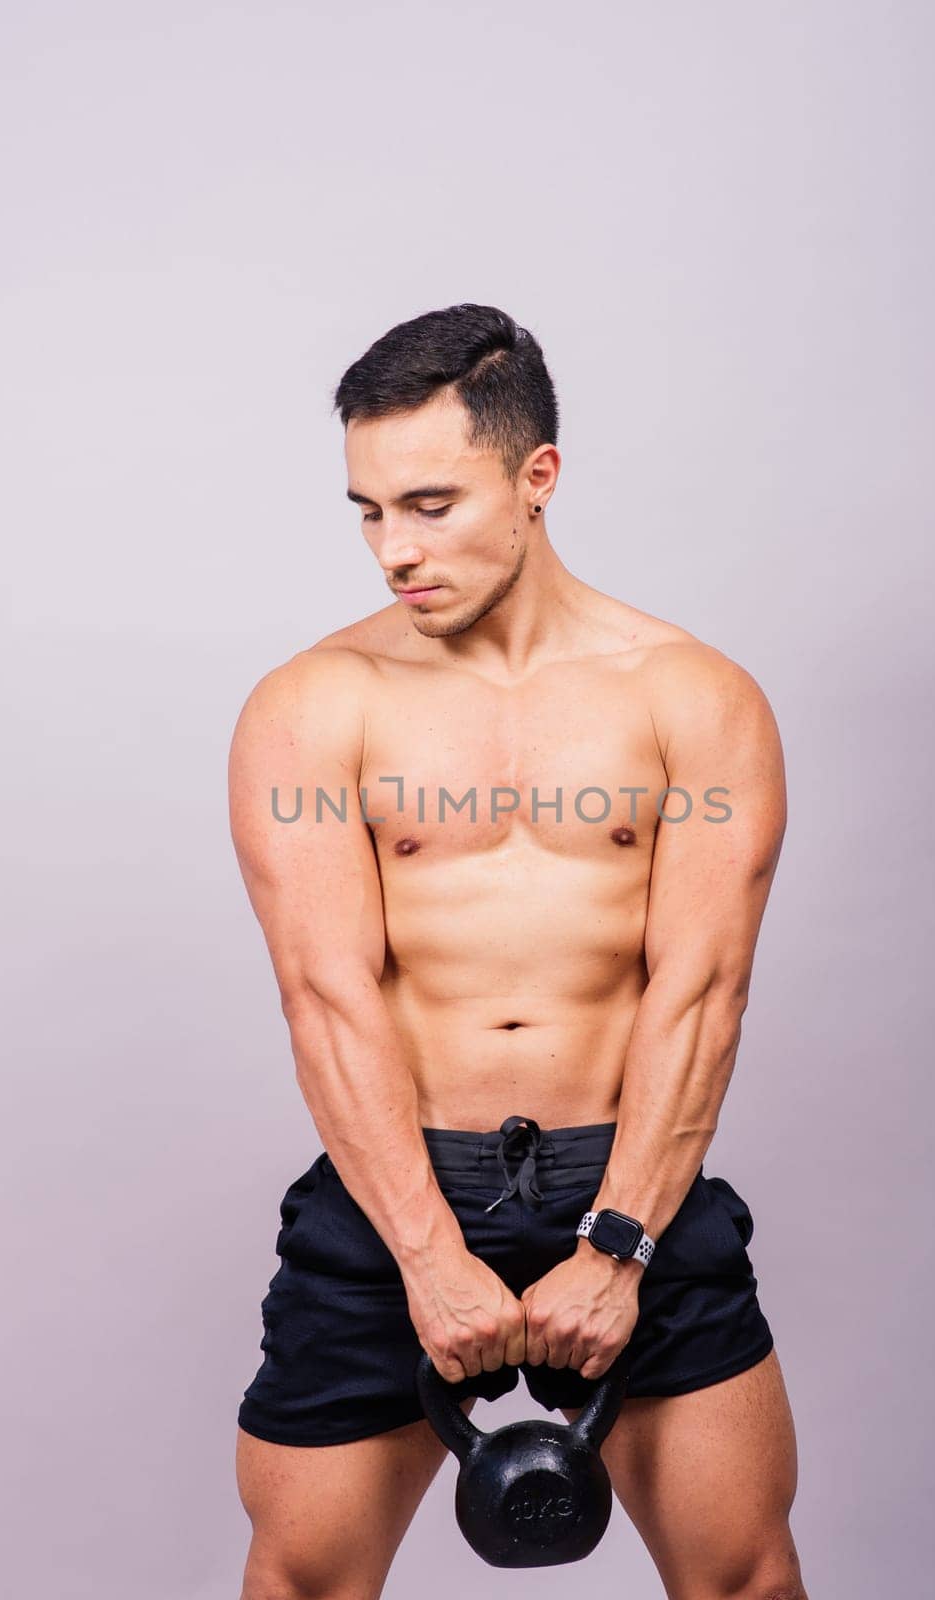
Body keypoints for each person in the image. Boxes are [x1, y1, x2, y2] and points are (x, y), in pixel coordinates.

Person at [228, 303, 807, 1600]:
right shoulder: (314, 707)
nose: (394, 550)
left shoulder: (690, 699)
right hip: (399, 1186)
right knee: (304, 1581)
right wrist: (428, 1255)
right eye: (368, 512)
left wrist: (621, 1248)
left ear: (537, 476)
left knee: (743, 1578)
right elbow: (328, 999)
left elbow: (699, 995)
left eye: (429, 505)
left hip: (633, 1177)